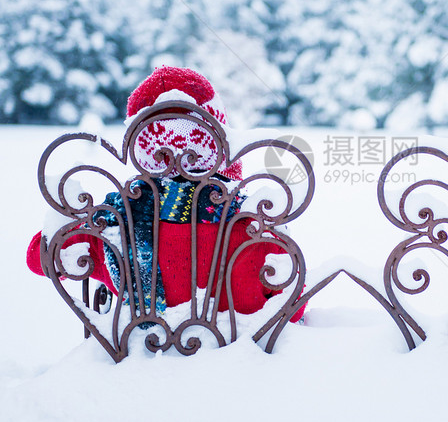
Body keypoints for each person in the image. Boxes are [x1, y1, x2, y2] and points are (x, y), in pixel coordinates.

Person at [27, 66, 304, 322]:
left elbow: (39, 257)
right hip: (239, 366)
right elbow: (294, 306)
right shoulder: (254, 232)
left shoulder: (113, 227)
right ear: (220, 145)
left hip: (141, 367)